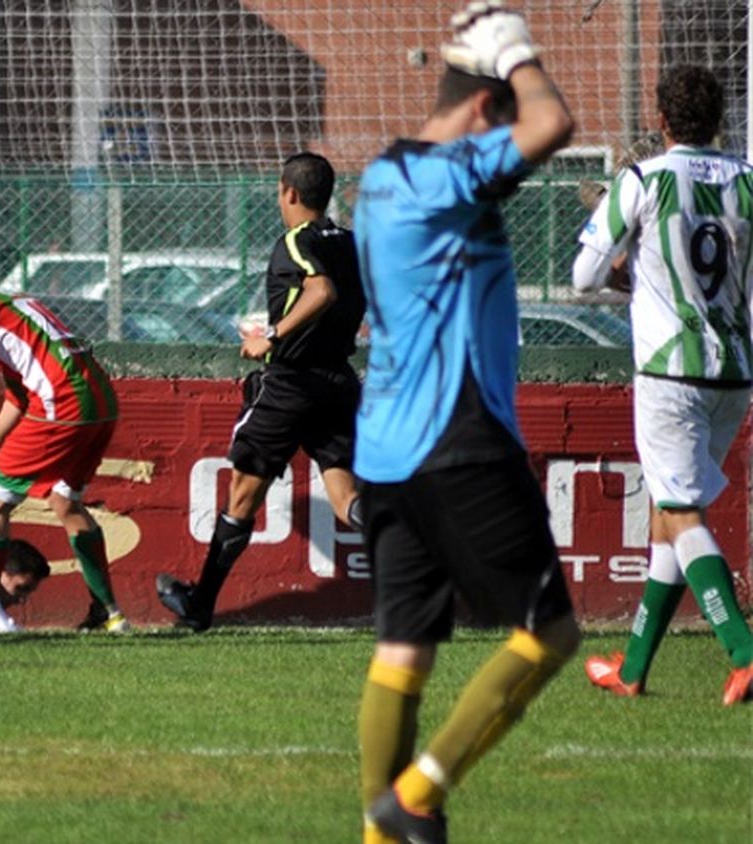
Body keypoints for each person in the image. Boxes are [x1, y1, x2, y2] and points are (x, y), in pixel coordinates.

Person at [352, 4, 581, 842]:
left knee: (404, 649)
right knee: (550, 629)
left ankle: (379, 836)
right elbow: (554, 121)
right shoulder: (440, 177)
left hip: (386, 452)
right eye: (503, 112)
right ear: (485, 110)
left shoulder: (383, 174)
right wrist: (518, 50)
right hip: (458, 438)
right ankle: (416, 796)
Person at [571, 64, 753, 706]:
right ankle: (634, 667)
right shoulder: (749, 182)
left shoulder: (642, 178)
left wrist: (631, 275)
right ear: (721, 120)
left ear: (662, 120)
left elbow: (584, 276)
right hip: (733, 370)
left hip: (670, 370)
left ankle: (744, 650)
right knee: (668, 516)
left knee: (679, 511)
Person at [156, 151, 366, 632]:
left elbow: (322, 292)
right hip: (337, 380)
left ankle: (200, 605)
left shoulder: (296, 240)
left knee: (243, 494)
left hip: (291, 382)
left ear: (288, 193)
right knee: (347, 498)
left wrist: (270, 335)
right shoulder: (351, 243)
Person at [0, 237, 129, 633]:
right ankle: (110, 613)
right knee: (65, 501)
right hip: (99, 402)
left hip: (61, 403)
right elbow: (18, 396)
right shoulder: (1, 298)